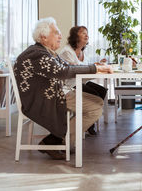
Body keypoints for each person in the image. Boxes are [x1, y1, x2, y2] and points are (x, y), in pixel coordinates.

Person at [14, 17, 113, 160]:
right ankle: (61, 141)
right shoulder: (37, 54)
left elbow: (68, 67)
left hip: (53, 93)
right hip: (43, 99)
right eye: (56, 33)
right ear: (44, 37)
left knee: (97, 101)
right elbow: (62, 72)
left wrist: (96, 68)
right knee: (95, 108)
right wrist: (96, 68)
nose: (60, 36)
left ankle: (57, 140)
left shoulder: (45, 52)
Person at [59, 25, 107, 135]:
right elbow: (77, 69)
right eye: (83, 33)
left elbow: (85, 66)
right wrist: (95, 67)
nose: (87, 35)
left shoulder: (81, 52)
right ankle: (87, 119)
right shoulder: (67, 51)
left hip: (80, 81)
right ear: (75, 36)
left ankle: (89, 122)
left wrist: (97, 64)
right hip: (70, 85)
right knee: (95, 94)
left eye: (87, 33)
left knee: (102, 91)